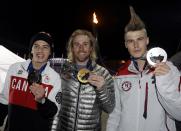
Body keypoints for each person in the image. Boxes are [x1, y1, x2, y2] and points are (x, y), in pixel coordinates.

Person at [106, 6, 181, 131]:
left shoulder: (167, 69)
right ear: (125, 44)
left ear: (147, 40)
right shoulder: (121, 74)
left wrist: (166, 82)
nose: (136, 45)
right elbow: (116, 113)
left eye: (140, 39)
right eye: (130, 41)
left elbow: (178, 113)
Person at [53, 29, 115, 131]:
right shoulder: (63, 72)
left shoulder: (103, 73)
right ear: (72, 48)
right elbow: (57, 106)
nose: (81, 48)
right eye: (77, 44)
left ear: (91, 48)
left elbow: (110, 108)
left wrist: (102, 89)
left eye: (85, 44)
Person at [0, 31, 61, 131]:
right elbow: (4, 100)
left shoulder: (55, 78)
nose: (40, 50)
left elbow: (53, 113)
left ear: (50, 52)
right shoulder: (15, 68)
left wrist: (42, 100)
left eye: (45, 47)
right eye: (36, 46)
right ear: (31, 49)